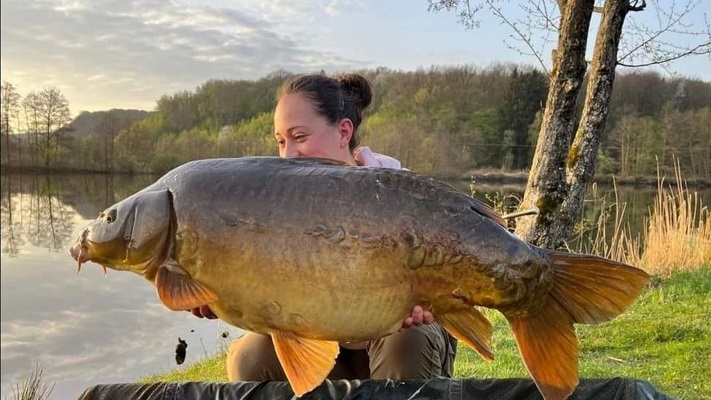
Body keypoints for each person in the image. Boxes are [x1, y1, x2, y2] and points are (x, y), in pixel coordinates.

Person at [192, 73, 457, 382]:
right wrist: (220, 296)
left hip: (395, 338)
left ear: (344, 131)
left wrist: (434, 302)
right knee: (249, 357)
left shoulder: (401, 194)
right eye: (281, 141)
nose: (288, 153)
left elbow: (452, 279)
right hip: (323, 344)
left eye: (299, 136)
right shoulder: (274, 211)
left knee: (406, 342)